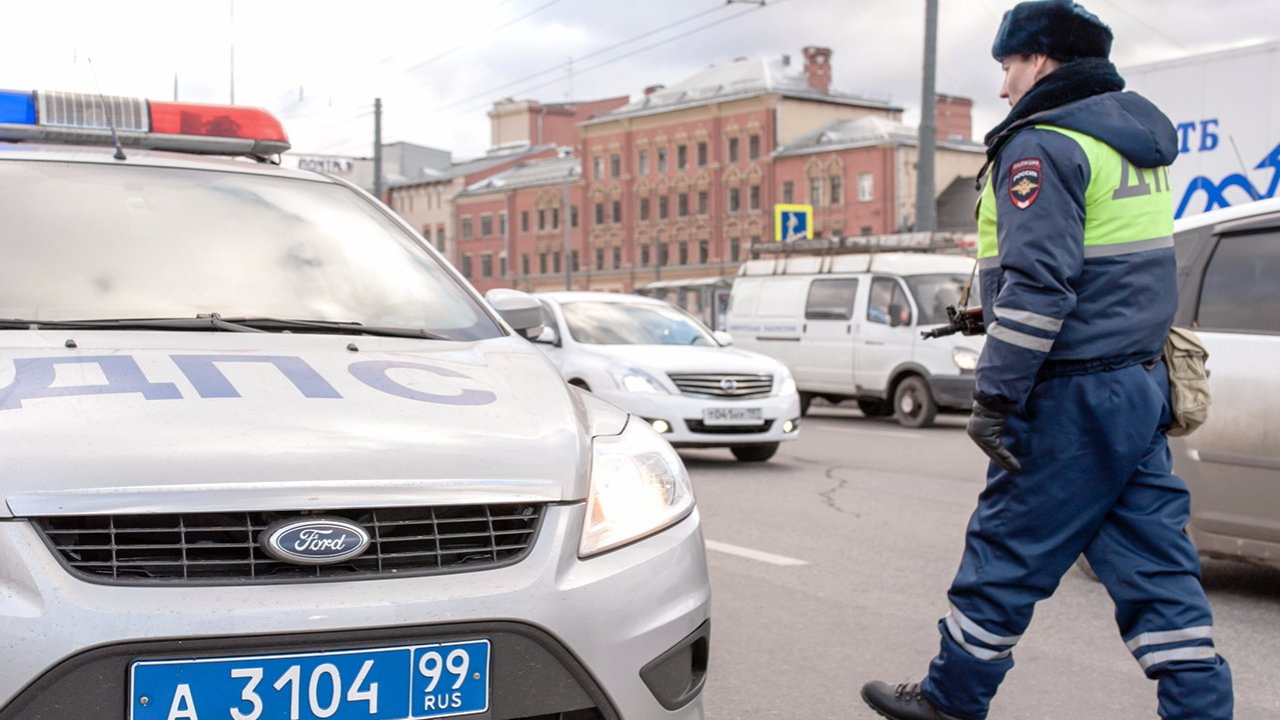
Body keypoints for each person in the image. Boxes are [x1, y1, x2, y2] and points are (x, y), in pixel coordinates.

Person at [860, 1, 1235, 719]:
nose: (1002, 88)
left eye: (1007, 68)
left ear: (1040, 60)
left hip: (1071, 394)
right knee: (1156, 567)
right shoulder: (1131, 141)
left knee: (1008, 546)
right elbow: (1112, 272)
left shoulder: (1042, 146)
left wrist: (995, 398)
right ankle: (1201, 709)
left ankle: (950, 700)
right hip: (1135, 382)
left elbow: (1039, 288)